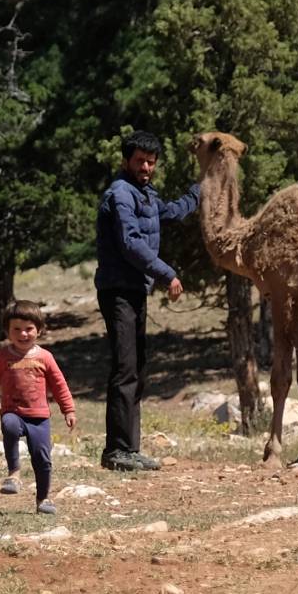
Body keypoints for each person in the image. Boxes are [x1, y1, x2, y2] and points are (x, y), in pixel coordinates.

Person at [95, 130, 200, 471]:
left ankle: (129, 448)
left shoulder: (144, 193)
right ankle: (117, 452)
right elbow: (130, 242)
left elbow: (168, 212)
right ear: (126, 160)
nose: (145, 167)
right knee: (125, 369)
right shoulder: (120, 194)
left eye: (151, 162)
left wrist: (200, 192)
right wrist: (166, 273)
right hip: (118, 290)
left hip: (135, 290)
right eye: (139, 160)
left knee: (137, 368)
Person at [0, 300, 76, 514]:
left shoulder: (45, 357)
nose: (23, 334)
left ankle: (43, 499)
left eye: (28, 329)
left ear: (38, 330)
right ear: (7, 331)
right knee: (9, 425)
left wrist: (68, 409)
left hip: (39, 416)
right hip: (13, 411)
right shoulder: (2, 356)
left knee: (42, 458)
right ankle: (14, 474)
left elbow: (59, 384)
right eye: (17, 329)